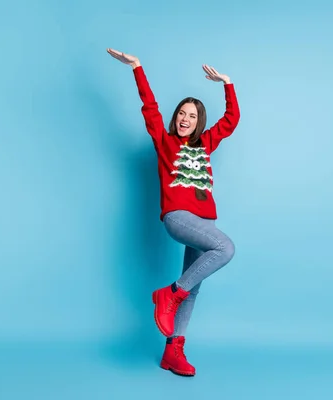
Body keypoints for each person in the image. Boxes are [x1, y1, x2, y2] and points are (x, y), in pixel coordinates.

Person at [107, 48, 240, 377]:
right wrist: (137, 67)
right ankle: (170, 294)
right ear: (175, 116)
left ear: (199, 123)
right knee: (225, 249)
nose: (185, 119)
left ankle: (173, 352)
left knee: (194, 288)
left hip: (204, 221)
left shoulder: (206, 144)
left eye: (193, 116)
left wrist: (228, 84)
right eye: (182, 113)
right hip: (179, 217)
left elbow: (231, 120)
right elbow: (149, 106)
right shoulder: (164, 141)